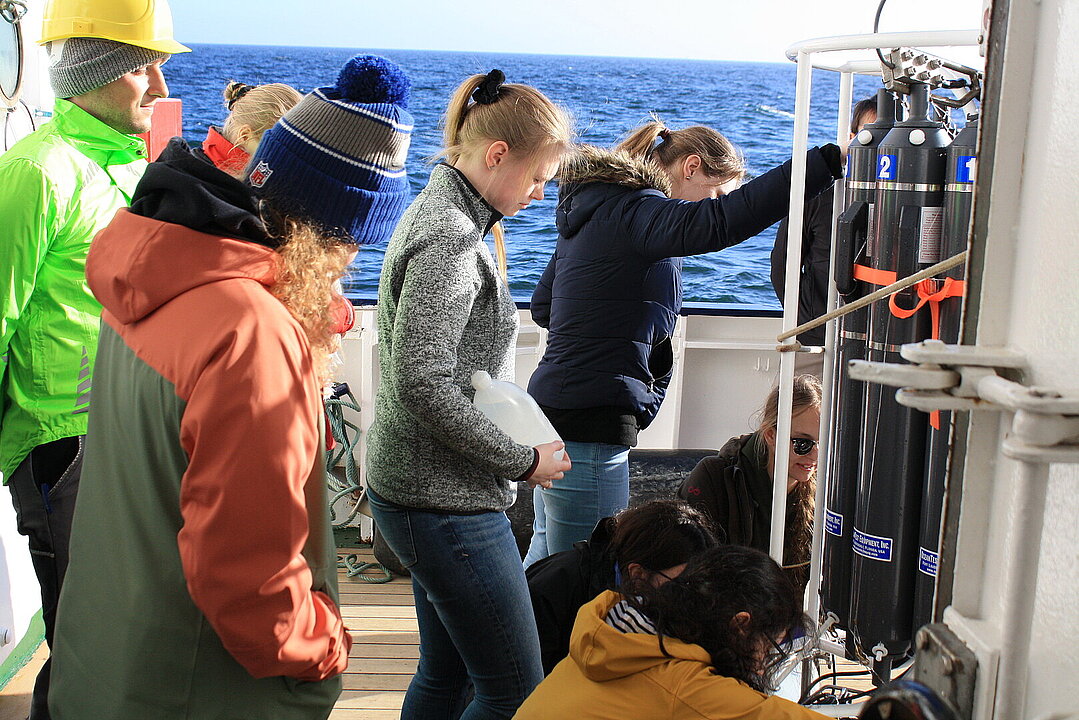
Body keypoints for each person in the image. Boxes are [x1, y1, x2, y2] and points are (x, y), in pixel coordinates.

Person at [47, 54, 414, 720]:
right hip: (199, 691)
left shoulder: (156, 275)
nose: (346, 271)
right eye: (351, 248)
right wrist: (324, 644)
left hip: (104, 662)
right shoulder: (251, 336)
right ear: (327, 235)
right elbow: (249, 581)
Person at [523, 119, 842, 566]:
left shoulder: (598, 209)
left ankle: (512, 638)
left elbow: (543, 306)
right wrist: (827, 163)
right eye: (715, 192)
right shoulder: (639, 211)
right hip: (590, 420)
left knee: (547, 553)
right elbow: (719, 225)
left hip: (556, 407)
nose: (712, 205)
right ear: (691, 167)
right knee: (587, 569)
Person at [364, 69, 574, 719]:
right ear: (496, 155)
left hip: (421, 489)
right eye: (538, 177)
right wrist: (523, 461)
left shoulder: (445, 213)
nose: (539, 195)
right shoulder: (452, 239)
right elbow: (424, 382)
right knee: (515, 690)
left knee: (447, 677)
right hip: (444, 501)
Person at [0, 1, 188, 715]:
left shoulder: (130, 172)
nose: (160, 84)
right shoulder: (39, 174)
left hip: (131, 438)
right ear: (96, 67)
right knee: (90, 649)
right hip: (65, 448)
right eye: (144, 64)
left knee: (133, 644)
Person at [513, 544, 830, 720]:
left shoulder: (620, 634)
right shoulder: (682, 685)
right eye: (774, 643)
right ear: (741, 625)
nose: (766, 663)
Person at [526, 499, 717, 675]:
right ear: (637, 574)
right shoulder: (552, 591)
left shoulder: (640, 590)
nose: (693, 596)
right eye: (683, 584)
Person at [677, 374, 823, 591]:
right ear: (771, 435)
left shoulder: (827, 492)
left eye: (826, 442)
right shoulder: (713, 478)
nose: (815, 455)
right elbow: (690, 574)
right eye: (803, 443)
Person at [770, 97, 878, 377]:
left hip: (886, 341)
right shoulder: (819, 193)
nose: (881, 145)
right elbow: (783, 262)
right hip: (817, 339)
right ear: (852, 138)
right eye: (872, 135)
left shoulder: (919, 199)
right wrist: (807, 324)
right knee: (799, 416)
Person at [202, 81, 302, 176]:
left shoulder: (199, 170)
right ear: (245, 136)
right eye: (278, 152)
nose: (285, 163)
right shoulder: (201, 186)